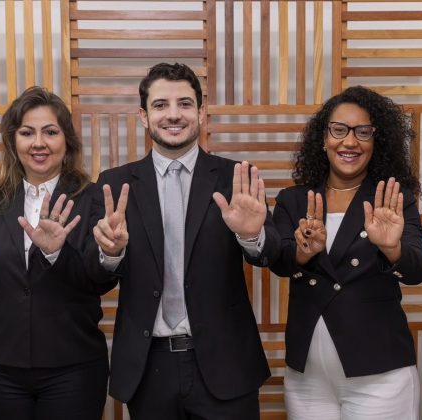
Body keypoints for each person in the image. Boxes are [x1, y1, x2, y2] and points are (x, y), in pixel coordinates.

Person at [86, 62, 280, 419]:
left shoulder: (235, 177)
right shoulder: (114, 184)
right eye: (160, 105)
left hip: (226, 362)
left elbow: (273, 254)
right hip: (148, 366)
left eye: (185, 104)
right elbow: (94, 278)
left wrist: (251, 234)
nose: (173, 114)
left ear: (201, 113)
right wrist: (110, 253)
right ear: (144, 116)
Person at [0, 86, 114, 419]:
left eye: (50, 132)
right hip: (2, 369)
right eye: (27, 133)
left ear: (66, 141)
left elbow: (99, 280)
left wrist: (56, 254)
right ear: (13, 142)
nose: (39, 143)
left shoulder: (92, 198)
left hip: (74, 367)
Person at [270, 86, 422, 419]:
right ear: (323, 138)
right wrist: (302, 254)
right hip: (307, 380)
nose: (350, 142)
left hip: (380, 375)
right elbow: (278, 261)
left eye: (363, 132)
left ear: (376, 140)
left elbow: (417, 270)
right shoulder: (293, 200)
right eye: (339, 130)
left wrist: (391, 247)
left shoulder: (392, 199)